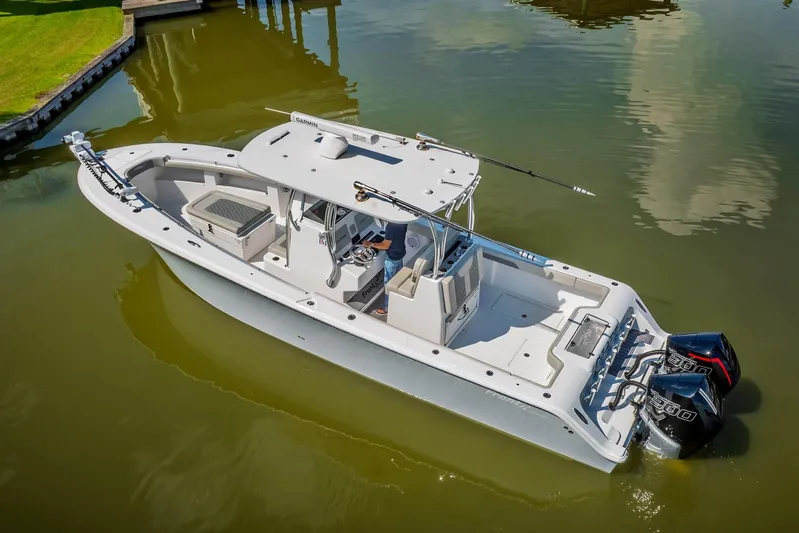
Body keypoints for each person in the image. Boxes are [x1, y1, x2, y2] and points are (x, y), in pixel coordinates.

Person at [363, 222, 408, 315]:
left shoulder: (390, 226)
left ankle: (386, 307)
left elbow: (385, 245)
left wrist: (370, 244)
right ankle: (399, 300)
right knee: (398, 280)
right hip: (400, 254)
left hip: (392, 258)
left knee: (388, 284)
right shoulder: (403, 222)